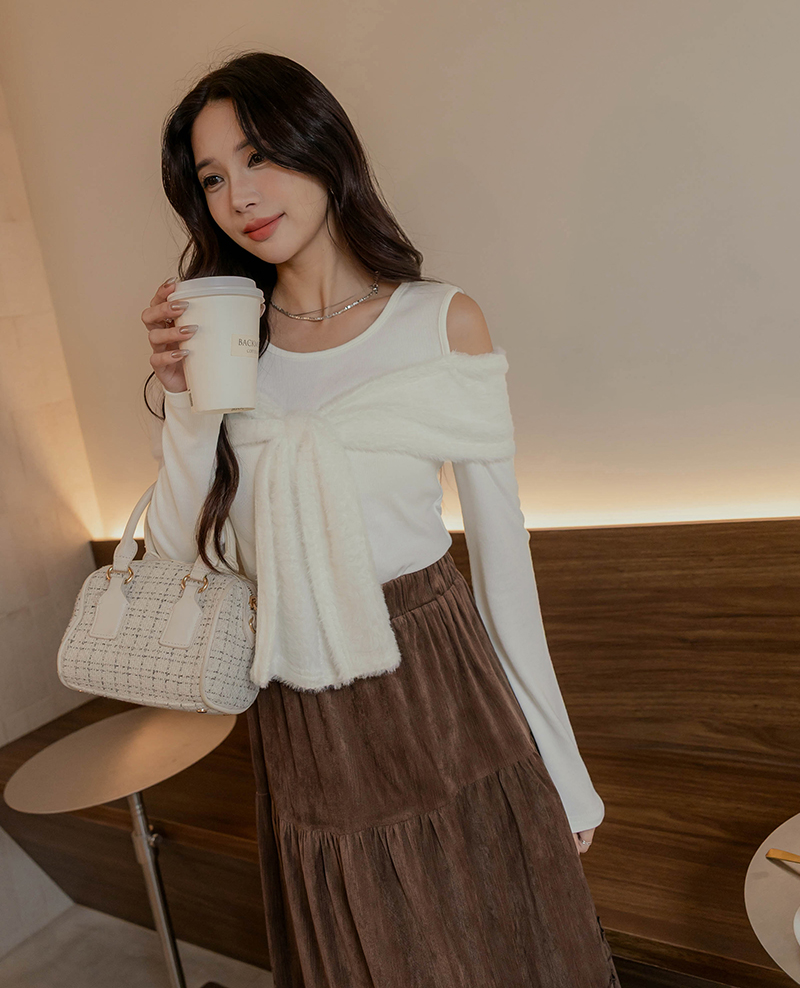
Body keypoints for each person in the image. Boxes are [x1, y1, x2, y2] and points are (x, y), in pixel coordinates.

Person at [140, 51, 619, 987]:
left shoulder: (441, 324)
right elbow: (175, 557)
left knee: (501, 949)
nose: (241, 195)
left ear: (321, 145)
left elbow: (502, 564)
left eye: (258, 155)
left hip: (440, 680)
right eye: (214, 178)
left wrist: (564, 768)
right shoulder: (229, 346)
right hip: (306, 710)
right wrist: (187, 402)